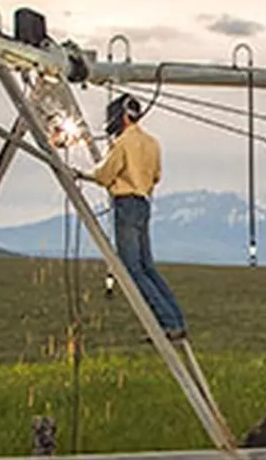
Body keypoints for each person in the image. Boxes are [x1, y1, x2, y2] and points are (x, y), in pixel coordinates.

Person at [60, 94, 189, 342]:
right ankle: (176, 320)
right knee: (148, 267)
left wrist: (82, 174)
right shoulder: (152, 143)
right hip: (143, 203)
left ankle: (167, 322)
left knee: (132, 269)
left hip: (126, 204)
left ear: (122, 116)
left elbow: (104, 175)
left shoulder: (123, 143)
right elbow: (156, 176)